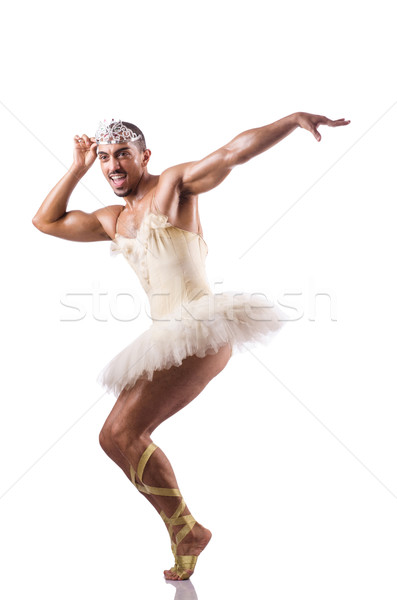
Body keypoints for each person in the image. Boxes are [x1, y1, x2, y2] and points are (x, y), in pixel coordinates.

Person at [32, 112, 350, 580]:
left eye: (123, 154)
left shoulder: (174, 186)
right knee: (113, 438)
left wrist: (292, 120)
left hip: (201, 326)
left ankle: (187, 530)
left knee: (121, 434)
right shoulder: (112, 219)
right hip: (164, 336)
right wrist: (76, 168)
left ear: (145, 156)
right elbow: (45, 221)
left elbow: (232, 153)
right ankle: (186, 530)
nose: (113, 164)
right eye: (104, 158)